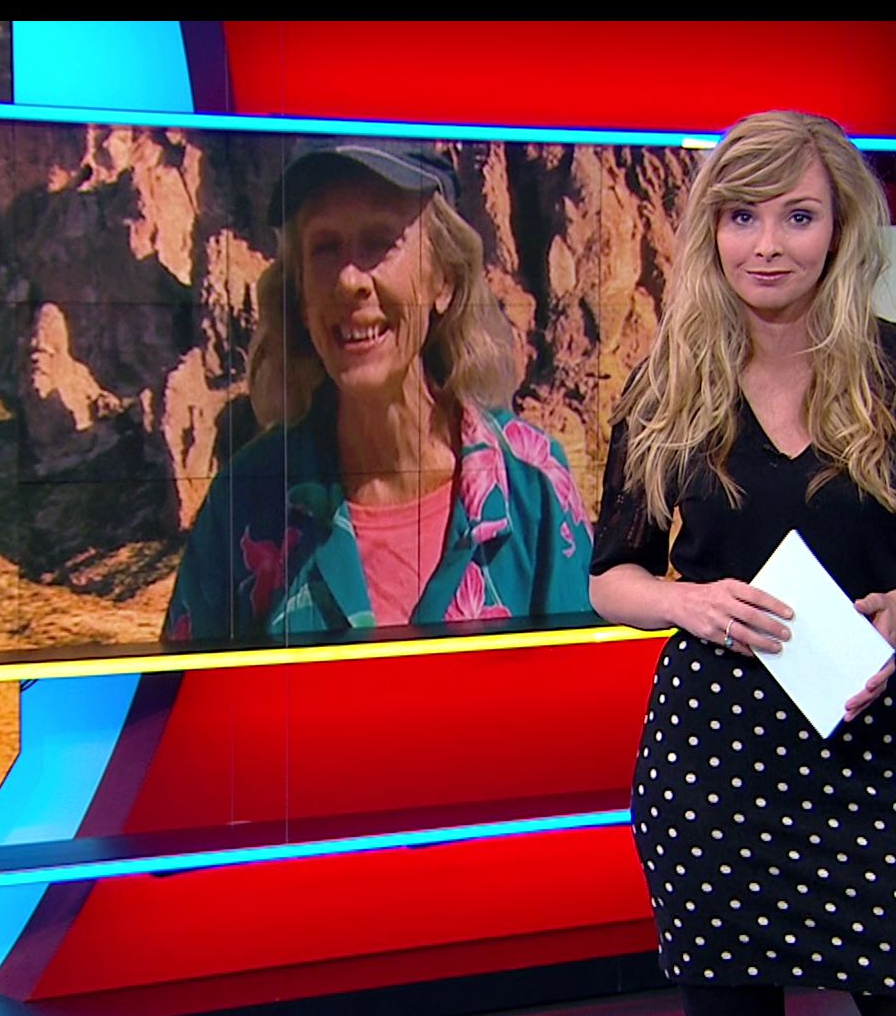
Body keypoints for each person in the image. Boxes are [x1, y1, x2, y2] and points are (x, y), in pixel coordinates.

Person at [588, 111, 896, 1016]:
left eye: (798, 216)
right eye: (742, 216)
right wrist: (688, 603)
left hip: (870, 767)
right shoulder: (667, 384)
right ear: (711, 230)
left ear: (841, 226)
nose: (767, 244)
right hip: (711, 774)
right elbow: (611, 578)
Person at [164, 139, 593, 641]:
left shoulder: (532, 486)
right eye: (325, 247)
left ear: (443, 281)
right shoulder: (243, 505)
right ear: (300, 297)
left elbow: (593, 685)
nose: (350, 279)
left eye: (379, 241)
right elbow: (185, 689)